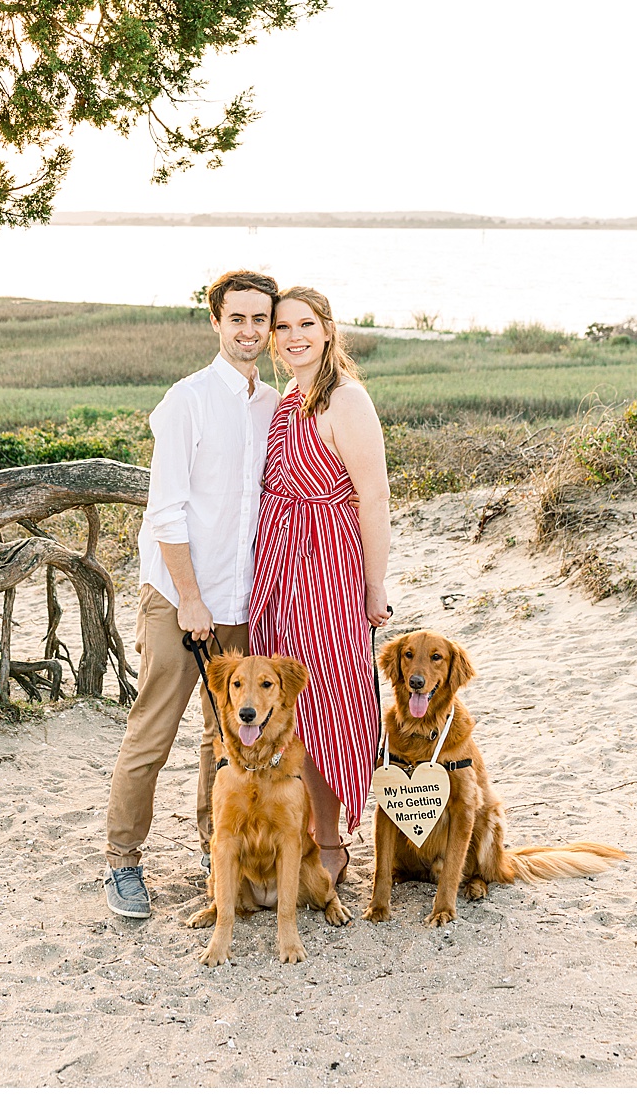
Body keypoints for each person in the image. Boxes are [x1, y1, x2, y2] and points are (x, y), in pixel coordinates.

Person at [103, 269, 282, 918]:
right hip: (180, 601)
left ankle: (216, 850)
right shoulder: (187, 401)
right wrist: (190, 597)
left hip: (241, 603)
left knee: (226, 739)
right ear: (215, 321)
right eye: (237, 318)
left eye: (260, 319)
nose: (249, 331)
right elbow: (167, 513)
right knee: (152, 732)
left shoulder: (273, 405)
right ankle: (122, 863)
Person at [249, 286, 392, 884]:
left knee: (328, 705)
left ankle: (331, 846)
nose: (293, 336)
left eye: (305, 324)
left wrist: (373, 586)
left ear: (329, 330)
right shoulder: (289, 397)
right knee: (288, 704)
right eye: (282, 328)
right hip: (279, 566)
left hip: (329, 568)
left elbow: (375, 498)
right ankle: (298, 837)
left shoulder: (347, 401)